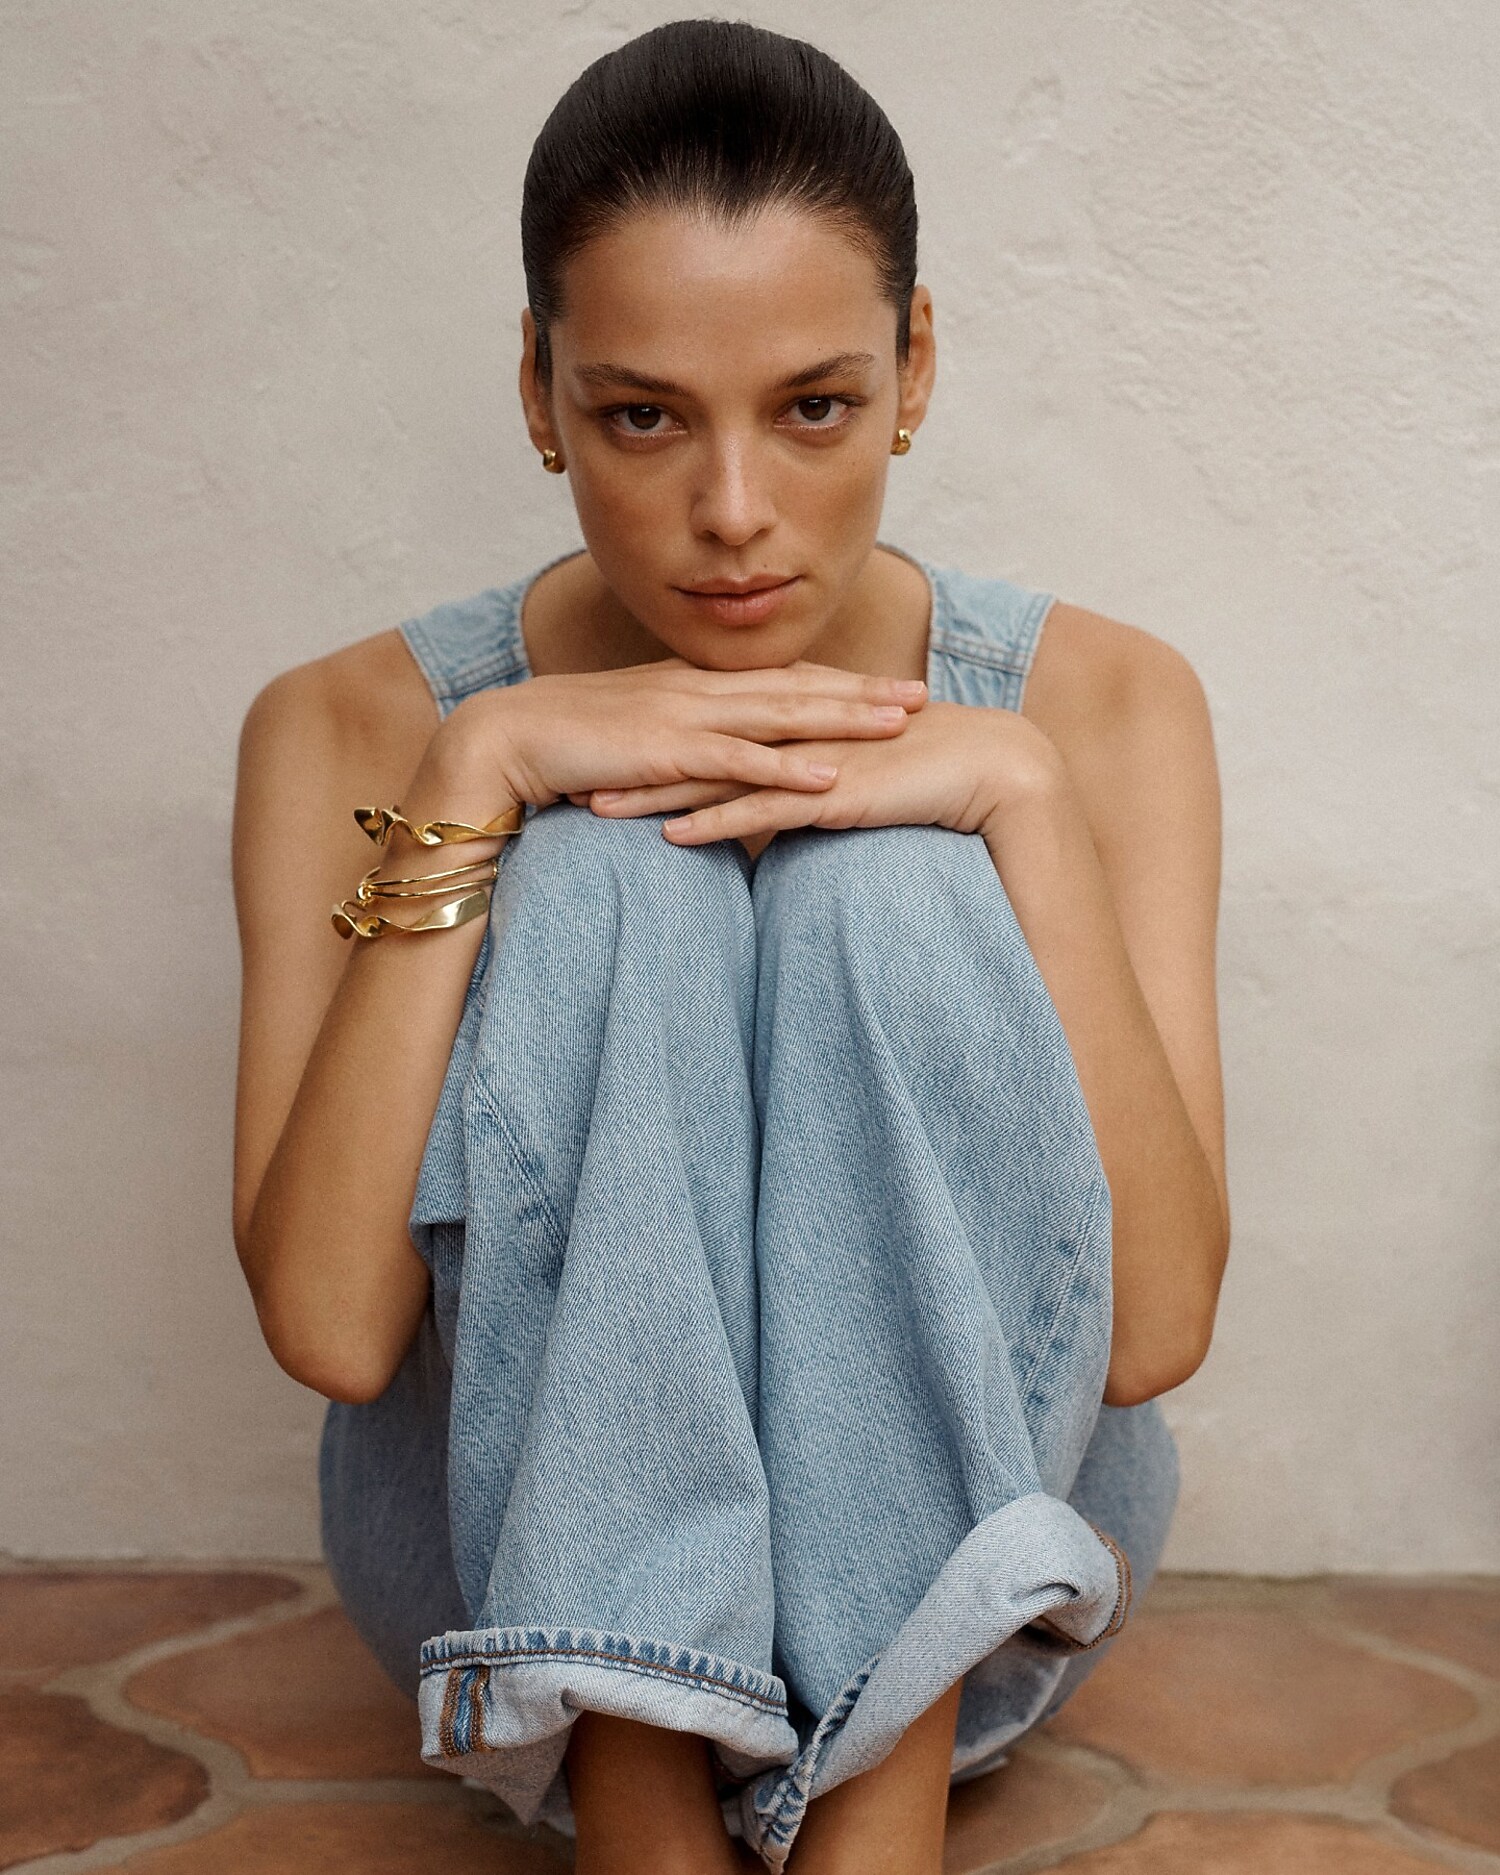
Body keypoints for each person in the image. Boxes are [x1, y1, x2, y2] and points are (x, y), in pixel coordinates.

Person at [230, 20, 1229, 1874]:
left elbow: (1155, 1327)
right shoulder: (354, 725)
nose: (736, 513)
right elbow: (330, 1325)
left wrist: (1014, 800)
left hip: (983, 1603)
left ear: (916, 367)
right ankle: (641, 1792)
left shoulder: (1097, 703)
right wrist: (491, 762)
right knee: (609, 875)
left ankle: (881, 1804)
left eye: (817, 406)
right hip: (507, 1594)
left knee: (890, 879)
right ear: (538, 392)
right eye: (641, 414)